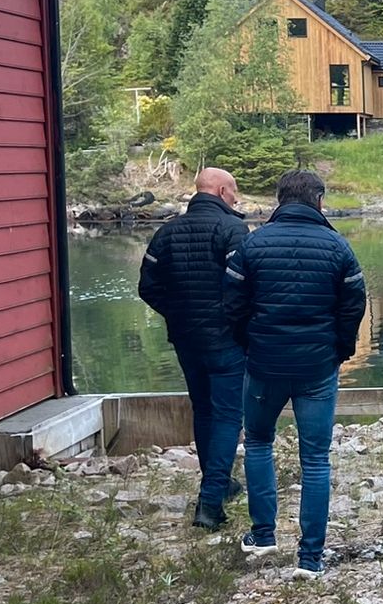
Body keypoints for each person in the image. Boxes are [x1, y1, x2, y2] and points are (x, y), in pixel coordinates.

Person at [223, 169, 367, 577]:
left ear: (279, 199)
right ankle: (310, 558)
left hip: (264, 363)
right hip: (318, 367)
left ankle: (264, 535)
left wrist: (248, 344)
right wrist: (341, 348)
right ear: (318, 201)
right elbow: (353, 305)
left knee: (258, 444)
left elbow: (231, 304)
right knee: (316, 460)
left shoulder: (252, 244)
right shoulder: (338, 246)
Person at [137, 167, 249, 528]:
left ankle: (218, 482)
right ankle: (210, 501)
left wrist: (179, 315)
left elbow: (148, 288)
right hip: (225, 339)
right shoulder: (231, 229)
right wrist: (234, 321)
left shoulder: (166, 232)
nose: (236, 198)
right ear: (218, 191)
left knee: (203, 410)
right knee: (229, 414)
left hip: (186, 338)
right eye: (233, 191)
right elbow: (243, 286)